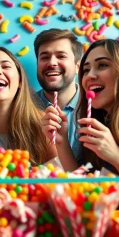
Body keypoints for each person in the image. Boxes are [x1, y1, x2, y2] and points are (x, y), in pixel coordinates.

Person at [41, 39, 119, 201]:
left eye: (103, 65)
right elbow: (87, 187)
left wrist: (117, 156)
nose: (89, 76)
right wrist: (61, 141)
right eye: (86, 70)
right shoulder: (104, 122)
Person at [34, 29, 83, 160]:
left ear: (77, 66)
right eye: (44, 57)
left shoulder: (96, 107)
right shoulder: (23, 107)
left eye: (61, 56)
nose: (52, 63)